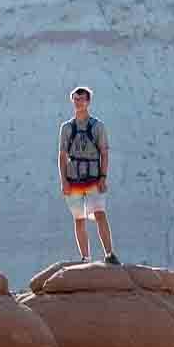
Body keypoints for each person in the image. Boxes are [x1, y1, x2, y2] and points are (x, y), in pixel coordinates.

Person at [58, 85, 118, 264]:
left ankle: (109, 253)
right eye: (76, 99)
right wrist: (64, 181)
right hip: (73, 178)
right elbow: (62, 156)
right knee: (79, 219)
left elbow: (105, 153)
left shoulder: (98, 126)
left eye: (82, 99)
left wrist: (103, 177)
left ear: (88, 101)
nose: (79, 102)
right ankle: (85, 258)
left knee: (100, 214)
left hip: (93, 178)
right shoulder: (66, 127)